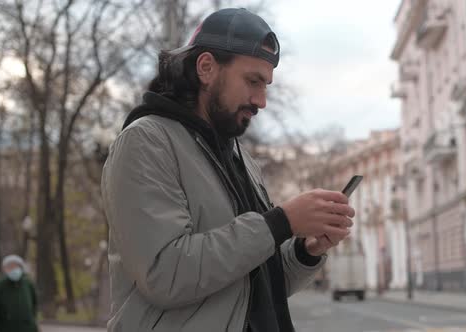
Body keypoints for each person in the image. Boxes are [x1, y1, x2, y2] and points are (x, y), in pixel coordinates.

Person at [101, 7, 355, 332]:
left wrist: (306, 250)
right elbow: (165, 274)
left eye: (266, 86)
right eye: (253, 81)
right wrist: (281, 222)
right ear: (206, 68)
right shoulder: (147, 141)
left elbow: (255, 286)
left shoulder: (239, 157)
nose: (261, 100)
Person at [0, 255, 38, 332]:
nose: (13, 269)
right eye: (10, 267)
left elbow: (34, 304)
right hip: (6, 328)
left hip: (28, 328)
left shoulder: (27, 283)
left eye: (16, 266)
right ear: (4, 269)